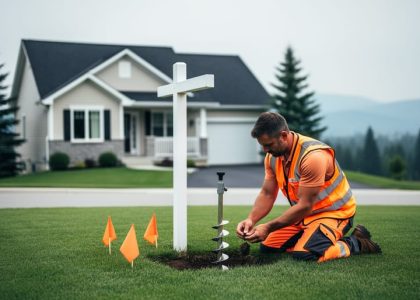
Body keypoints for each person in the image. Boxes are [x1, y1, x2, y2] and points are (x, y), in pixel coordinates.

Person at [236, 112, 381, 262]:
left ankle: (356, 243)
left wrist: (268, 227)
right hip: (303, 216)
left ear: (284, 136)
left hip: (334, 214)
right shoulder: (272, 157)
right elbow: (267, 194)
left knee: (305, 255)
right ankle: (311, 240)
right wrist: (251, 220)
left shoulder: (313, 157)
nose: (265, 150)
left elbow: (305, 205)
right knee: (268, 248)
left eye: (269, 144)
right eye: (262, 145)